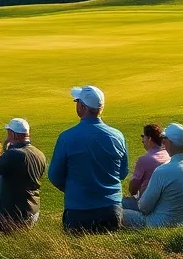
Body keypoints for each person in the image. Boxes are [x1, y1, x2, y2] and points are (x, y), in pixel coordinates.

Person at [49, 85, 129, 233]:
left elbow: (54, 176)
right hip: (111, 209)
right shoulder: (117, 136)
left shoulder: (67, 137)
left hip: (79, 210)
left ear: (83, 107)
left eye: (77, 102)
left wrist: (73, 189)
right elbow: (123, 172)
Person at [122, 123, 183, 228]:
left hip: (160, 224)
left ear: (169, 142)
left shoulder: (162, 171)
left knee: (118, 212)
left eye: (165, 139)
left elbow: (143, 207)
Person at [0, 118, 47, 230]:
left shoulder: (15, 154)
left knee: (11, 242)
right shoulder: (39, 153)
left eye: (8, 132)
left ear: (14, 134)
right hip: (33, 208)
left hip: (16, 212)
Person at [123, 124, 169, 210]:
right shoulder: (168, 155)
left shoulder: (144, 160)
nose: (142, 140)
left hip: (147, 205)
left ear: (149, 139)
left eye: (143, 136)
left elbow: (132, 190)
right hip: (165, 203)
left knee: (118, 205)